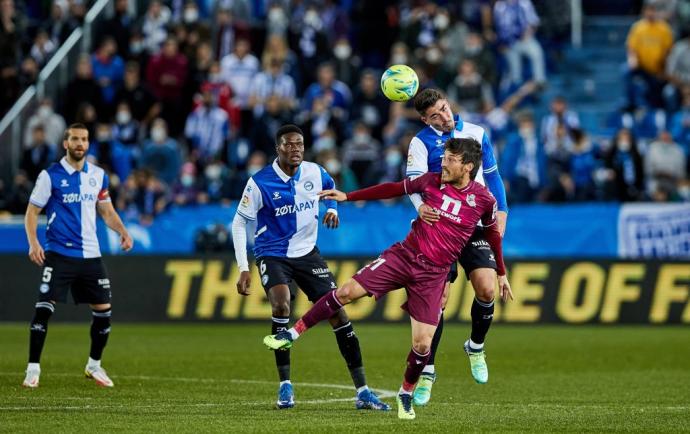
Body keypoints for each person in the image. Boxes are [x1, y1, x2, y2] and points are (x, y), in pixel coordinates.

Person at [264, 137, 513, 420]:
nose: (442, 162)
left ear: (467, 166)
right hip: (403, 257)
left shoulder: (483, 199)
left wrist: (501, 273)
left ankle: (405, 394)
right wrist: (349, 196)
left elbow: (493, 236)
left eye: (450, 159)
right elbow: (392, 189)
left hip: (433, 276)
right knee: (346, 291)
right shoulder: (430, 181)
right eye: (443, 157)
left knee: (422, 345)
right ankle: (291, 333)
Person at [231, 124, 389, 411]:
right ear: (278, 149)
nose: (296, 150)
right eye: (290, 145)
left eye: (300, 145)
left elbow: (332, 190)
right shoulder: (260, 182)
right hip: (273, 253)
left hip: (308, 254)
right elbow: (240, 222)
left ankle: (364, 391)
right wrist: (244, 267)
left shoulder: (315, 172)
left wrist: (332, 209)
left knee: (338, 314)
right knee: (281, 306)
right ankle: (285, 386)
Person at [405, 88, 509, 406]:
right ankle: (428, 372)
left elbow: (493, 177)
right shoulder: (420, 143)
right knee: (438, 302)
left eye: (445, 108)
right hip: (439, 227)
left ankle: (475, 346)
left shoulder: (477, 133)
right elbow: (412, 183)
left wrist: (502, 212)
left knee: (488, 289)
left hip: (473, 225)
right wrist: (421, 208)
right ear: (425, 119)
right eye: (435, 115)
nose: (444, 116)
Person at [22, 123, 133, 388]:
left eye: (84, 139)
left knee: (104, 311)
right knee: (44, 309)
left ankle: (94, 365)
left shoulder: (98, 175)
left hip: (91, 256)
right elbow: (32, 212)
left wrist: (123, 231)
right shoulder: (50, 176)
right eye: (74, 139)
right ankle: (32, 368)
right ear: (65, 143)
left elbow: (106, 211)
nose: (80, 143)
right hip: (59, 253)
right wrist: (33, 243)